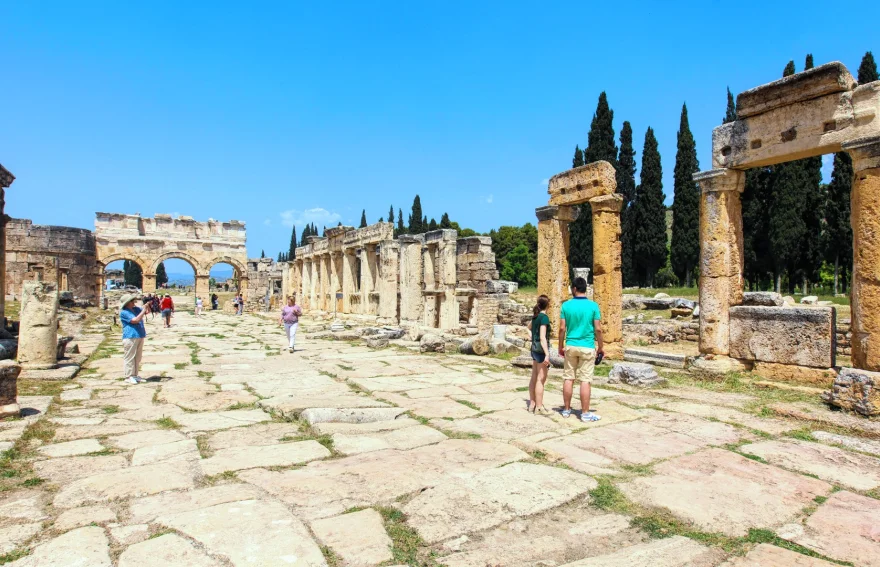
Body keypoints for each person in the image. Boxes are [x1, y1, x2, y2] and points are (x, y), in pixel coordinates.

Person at [558, 277, 604, 422]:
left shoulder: (566, 306)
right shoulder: (593, 306)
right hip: (587, 346)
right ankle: (584, 413)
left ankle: (566, 409)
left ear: (574, 289)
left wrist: (560, 345)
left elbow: (562, 328)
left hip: (571, 344)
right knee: (585, 380)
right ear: (585, 289)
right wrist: (601, 347)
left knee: (568, 378)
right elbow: (598, 328)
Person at [527, 295, 552, 415]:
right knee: (540, 379)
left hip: (534, 350)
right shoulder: (544, 318)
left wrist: (531, 337)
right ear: (548, 305)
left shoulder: (535, 317)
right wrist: (547, 354)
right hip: (541, 351)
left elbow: (528, 328)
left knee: (534, 377)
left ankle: (532, 403)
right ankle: (539, 407)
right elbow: (543, 337)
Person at [119, 294, 148, 384]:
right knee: (129, 357)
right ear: (127, 303)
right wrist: (143, 310)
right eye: (132, 301)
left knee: (137, 357)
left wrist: (147, 305)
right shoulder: (124, 312)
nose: (134, 302)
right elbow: (135, 320)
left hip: (139, 334)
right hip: (130, 336)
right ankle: (128, 376)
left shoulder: (136, 309)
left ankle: (135, 375)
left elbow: (146, 312)